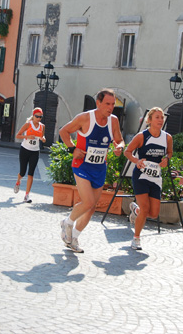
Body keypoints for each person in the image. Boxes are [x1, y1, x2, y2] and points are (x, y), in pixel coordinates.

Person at [59, 89, 125, 253]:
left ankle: (73, 238)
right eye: (107, 104)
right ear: (98, 103)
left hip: (100, 167)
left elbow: (120, 140)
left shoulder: (114, 121)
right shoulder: (85, 118)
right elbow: (63, 131)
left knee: (92, 207)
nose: (110, 108)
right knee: (87, 202)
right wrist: (72, 149)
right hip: (82, 165)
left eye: (113, 104)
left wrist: (119, 147)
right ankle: (67, 222)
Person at [123, 107, 172, 250]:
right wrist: (136, 161)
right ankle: (136, 239)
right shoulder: (141, 136)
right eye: (157, 117)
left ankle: (136, 211)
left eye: (162, 117)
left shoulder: (167, 137)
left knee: (153, 213)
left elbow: (169, 153)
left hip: (156, 177)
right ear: (149, 120)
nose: (160, 120)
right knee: (145, 209)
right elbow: (127, 151)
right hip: (141, 176)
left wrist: (166, 160)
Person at [14, 107, 46, 204]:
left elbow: (42, 136)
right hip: (25, 150)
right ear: (33, 116)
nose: (39, 118)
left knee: (31, 174)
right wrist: (27, 136)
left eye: (41, 117)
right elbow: (17, 135)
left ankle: (26, 195)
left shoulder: (42, 126)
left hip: (35, 151)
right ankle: (18, 181)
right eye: (37, 116)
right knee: (23, 172)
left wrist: (43, 139)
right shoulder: (28, 124)